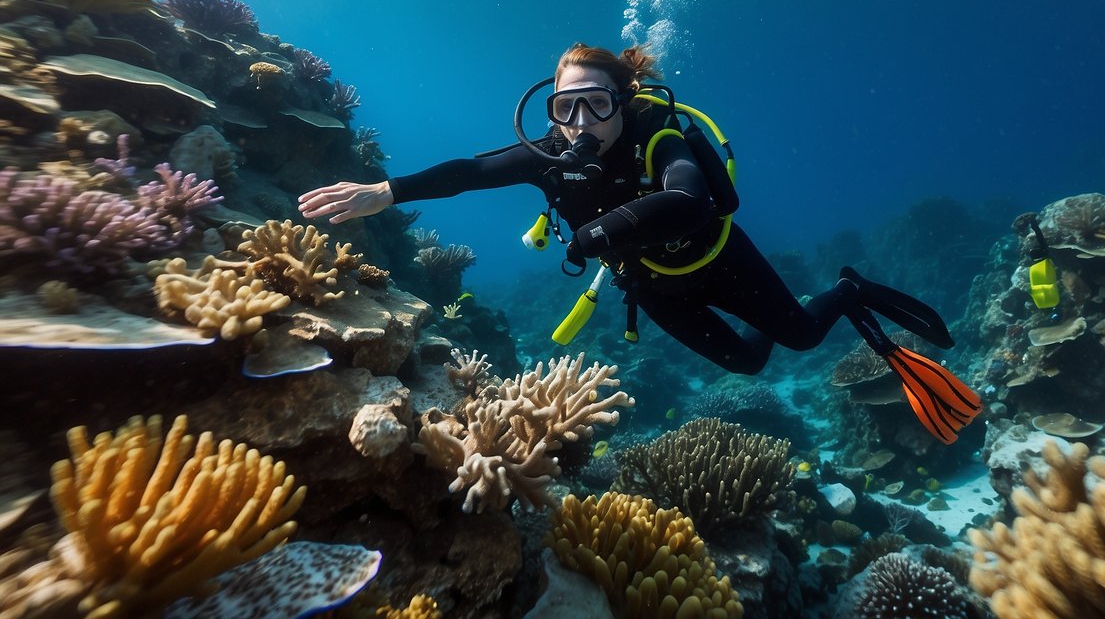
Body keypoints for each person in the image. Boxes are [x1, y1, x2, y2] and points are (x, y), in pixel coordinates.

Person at [299, 43, 981, 443]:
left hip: (717, 259)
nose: (578, 123)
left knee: (801, 337)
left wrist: (597, 231)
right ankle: (806, 309)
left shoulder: (661, 137)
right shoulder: (553, 152)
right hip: (651, 286)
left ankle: (849, 289)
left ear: (621, 102)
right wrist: (385, 192)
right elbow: (469, 172)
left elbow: (688, 197)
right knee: (745, 364)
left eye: (595, 104)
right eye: (564, 107)